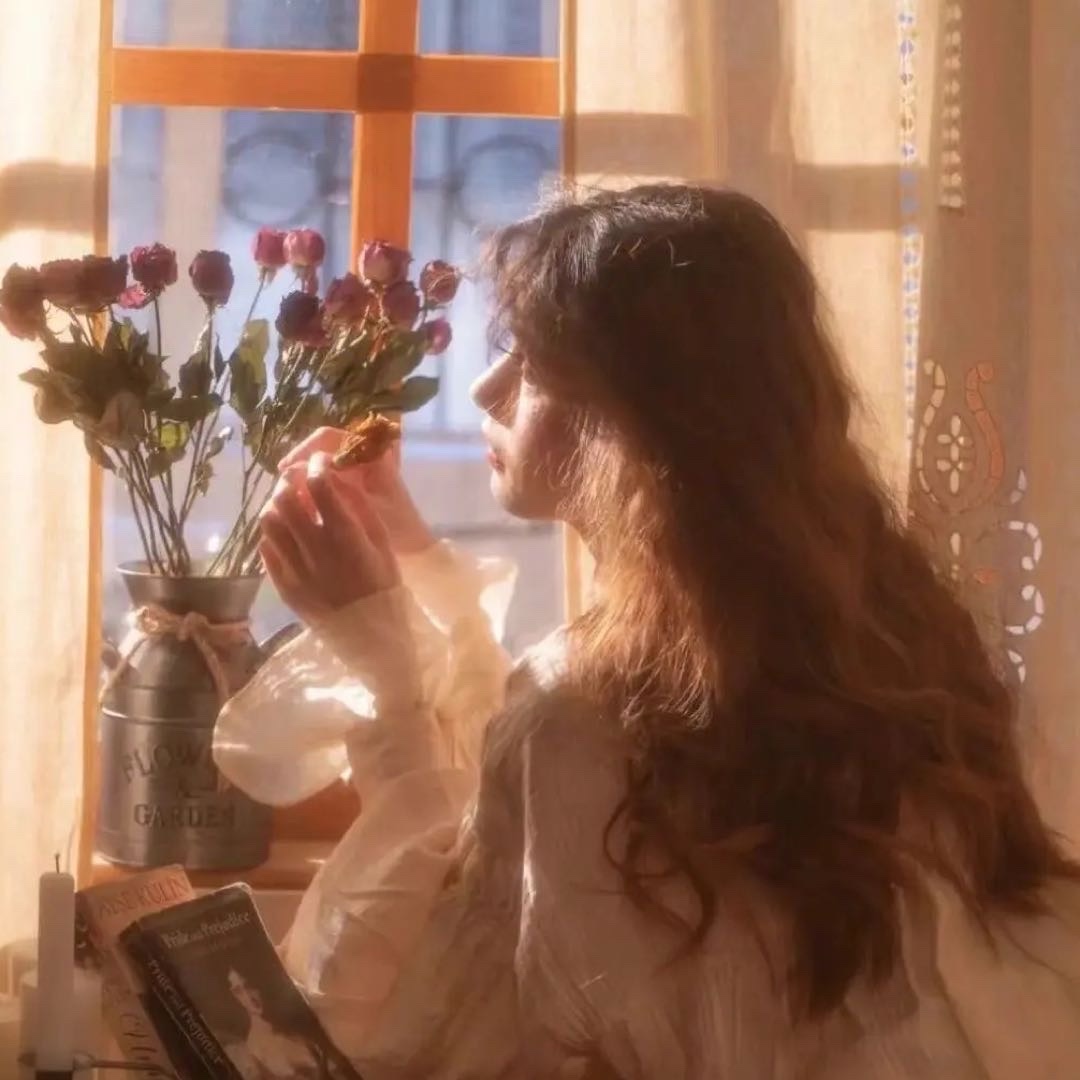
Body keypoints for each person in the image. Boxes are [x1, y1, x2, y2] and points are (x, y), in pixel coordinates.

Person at [215, 185, 1080, 1078]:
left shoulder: (592, 716)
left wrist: (381, 671)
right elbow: (508, 817)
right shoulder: (884, 631)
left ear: (633, 418)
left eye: (530, 362)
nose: (483, 388)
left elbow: (421, 1022)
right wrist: (421, 569)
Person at [222, 966, 323, 1079]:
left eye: (248, 985)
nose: (249, 996)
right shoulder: (250, 1052)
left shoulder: (296, 1027)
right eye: (238, 991)